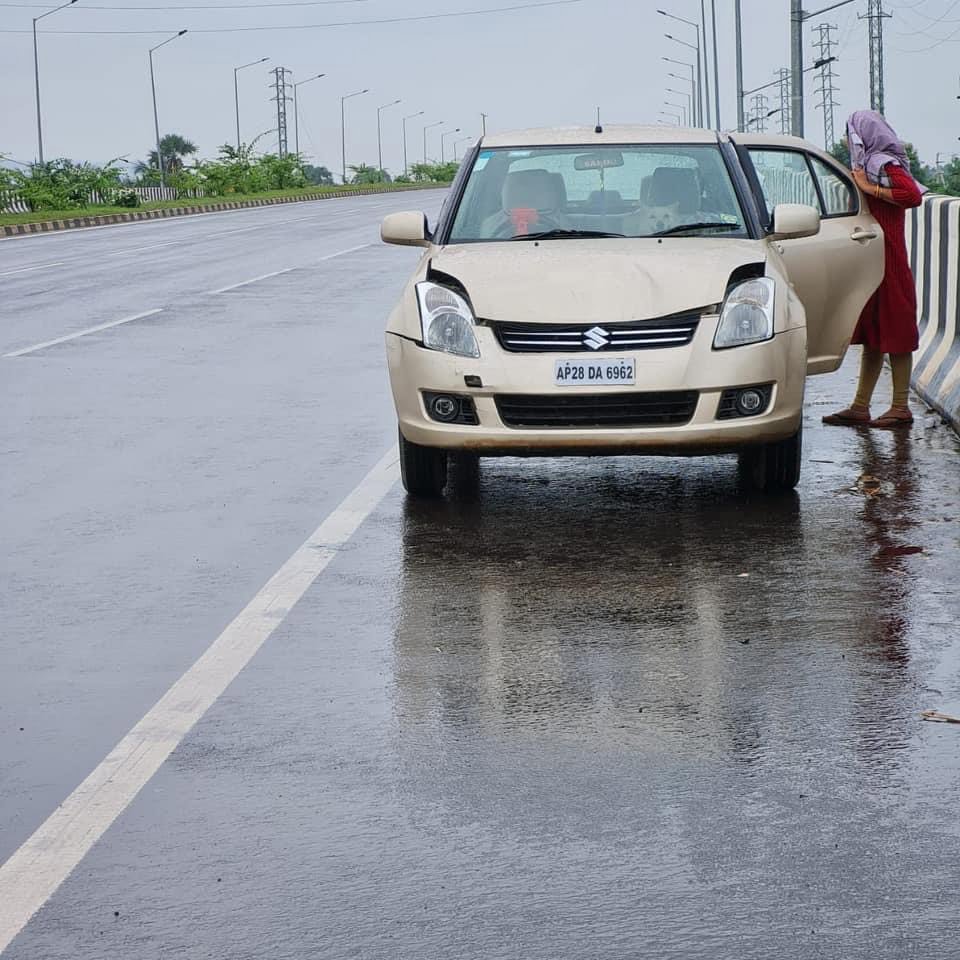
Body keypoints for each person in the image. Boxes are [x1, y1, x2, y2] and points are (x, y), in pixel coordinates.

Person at [823, 111, 925, 429]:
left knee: (896, 332)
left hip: (890, 261)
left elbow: (911, 196)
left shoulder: (882, 163)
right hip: (873, 258)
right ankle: (860, 406)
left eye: (852, 133)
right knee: (873, 335)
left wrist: (869, 188)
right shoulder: (870, 163)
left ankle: (900, 407)